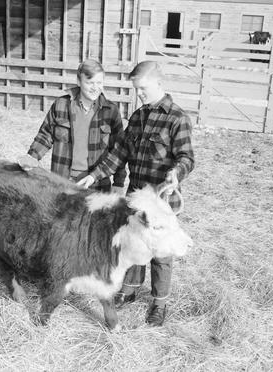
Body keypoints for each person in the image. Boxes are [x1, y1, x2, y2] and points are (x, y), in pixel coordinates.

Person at [77, 61, 194, 326]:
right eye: (136, 89)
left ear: (158, 83)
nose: (139, 93)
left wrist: (176, 173)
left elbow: (187, 157)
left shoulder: (177, 118)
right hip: (138, 197)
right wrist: (95, 175)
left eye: (142, 88)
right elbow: (119, 152)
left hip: (162, 200)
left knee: (161, 253)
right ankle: (129, 290)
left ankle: (159, 303)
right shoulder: (138, 117)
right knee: (135, 244)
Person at [18, 59, 126, 193]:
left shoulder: (111, 111)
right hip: (63, 181)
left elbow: (118, 150)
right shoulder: (61, 105)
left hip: (97, 182)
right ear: (78, 81)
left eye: (99, 83)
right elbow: (45, 135)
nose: (95, 87)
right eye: (89, 82)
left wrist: (119, 182)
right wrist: (32, 157)